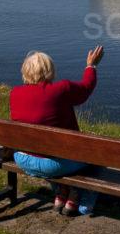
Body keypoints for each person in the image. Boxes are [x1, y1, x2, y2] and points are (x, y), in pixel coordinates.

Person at [9, 45, 104, 216]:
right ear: (50, 70)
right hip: (54, 165)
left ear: (25, 71)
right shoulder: (61, 90)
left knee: (57, 154)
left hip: (22, 158)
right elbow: (86, 87)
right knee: (98, 154)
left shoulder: (15, 93)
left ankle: (62, 192)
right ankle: (81, 203)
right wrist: (91, 65)